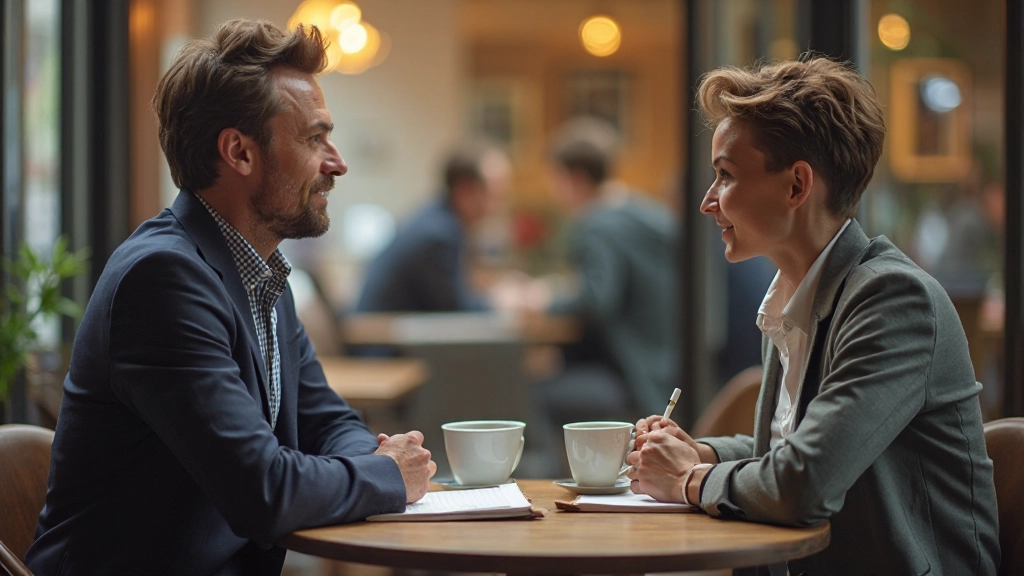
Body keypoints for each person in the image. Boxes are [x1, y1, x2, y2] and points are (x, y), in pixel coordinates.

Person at [25, 20, 434, 576]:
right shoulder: (162, 279)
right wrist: (387, 473)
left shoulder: (262, 273)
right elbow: (264, 490)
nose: (337, 163)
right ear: (239, 152)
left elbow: (326, 421)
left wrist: (378, 460)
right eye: (313, 139)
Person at [625, 55, 999, 575]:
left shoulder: (893, 298)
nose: (709, 201)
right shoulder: (795, 297)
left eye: (725, 175)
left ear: (797, 186)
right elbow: (791, 443)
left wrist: (688, 479)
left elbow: (804, 483)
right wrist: (700, 453)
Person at [515, 117, 677, 475]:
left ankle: (549, 487)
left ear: (574, 177)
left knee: (528, 391)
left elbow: (596, 301)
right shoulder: (648, 213)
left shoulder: (597, 223)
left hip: (631, 377)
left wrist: (544, 301)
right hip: (668, 369)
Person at [354, 144, 510, 313]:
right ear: (464, 190)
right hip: (382, 328)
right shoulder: (438, 235)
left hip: (392, 324)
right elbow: (456, 309)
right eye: (493, 193)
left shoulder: (437, 219)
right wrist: (499, 302)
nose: (496, 206)